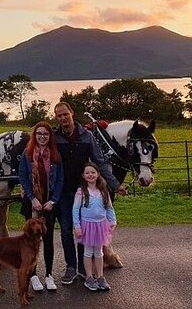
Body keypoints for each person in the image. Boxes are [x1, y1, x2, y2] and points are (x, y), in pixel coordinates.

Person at [53, 101, 126, 285]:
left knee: (82, 232)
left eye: (65, 114)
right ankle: (71, 267)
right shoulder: (55, 137)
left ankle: (82, 268)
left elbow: (99, 162)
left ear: (72, 113)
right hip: (62, 192)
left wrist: (115, 185)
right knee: (66, 230)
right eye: (59, 115)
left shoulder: (87, 136)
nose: (62, 118)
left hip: (82, 193)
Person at [18, 121, 64, 292]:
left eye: (46, 134)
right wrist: (32, 198)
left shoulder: (55, 155)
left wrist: (53, 201)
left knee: (48, 240)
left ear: (50, 136)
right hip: (32, 204)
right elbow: (22, 177)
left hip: (49, 204)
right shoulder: (27, 154)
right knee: (31, 242)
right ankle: (34, 275)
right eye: (39, 134)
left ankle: (49, 275)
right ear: (34, 135)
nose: (42, 137)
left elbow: (60, 180)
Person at [73, 162, 117, 291]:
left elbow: (109, 207)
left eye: (93, 172)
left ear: (98, 174)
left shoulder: (103, 190)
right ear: (83, 175)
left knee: (99, 252)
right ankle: (89, 278)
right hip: (87, 225)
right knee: (88, 252)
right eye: (87, 173)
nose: (90, 175)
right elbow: (75, 210)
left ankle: (100, 277)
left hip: (101, 226)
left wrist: (113, 220)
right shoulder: (81, 191)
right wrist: (77, 226)